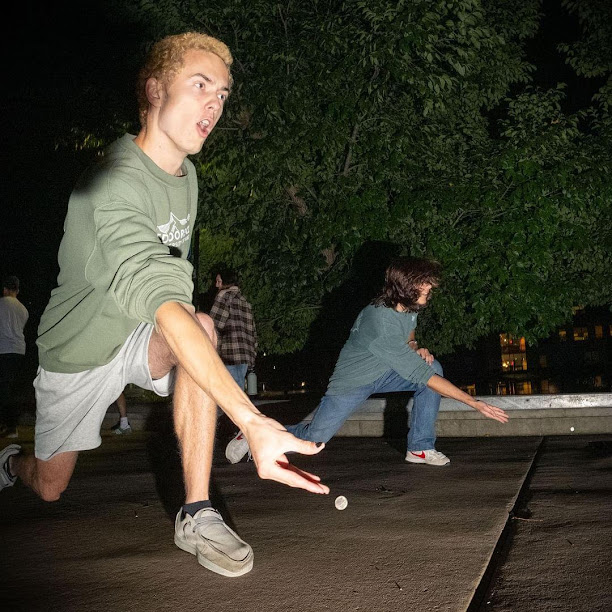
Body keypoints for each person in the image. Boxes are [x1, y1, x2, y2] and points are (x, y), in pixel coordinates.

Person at [0, 31, 328, 579]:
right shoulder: (112, 182)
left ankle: (197, 512)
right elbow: (157, 292)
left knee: (198, 324)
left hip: (139, 334)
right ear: (154, 91)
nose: (214, 105)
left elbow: (171, 298)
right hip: (77, 351)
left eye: (222, 93)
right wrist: (249, 419)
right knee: (51, 486)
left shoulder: (187, 178)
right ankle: (12, 463)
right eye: (200, 85)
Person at [226, 257, 509, 466]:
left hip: (386, 371)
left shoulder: (409, 306)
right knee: (313, 440)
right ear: (408, 287)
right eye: (426, 286)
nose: (430, 291)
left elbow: (409, 333)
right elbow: (424, 378)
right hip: (353, 381)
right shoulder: (379, 321)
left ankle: (420, 447)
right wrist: (475, 403)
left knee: (433, 365)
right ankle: (253, 433)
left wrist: (414, 346)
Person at [209, 268, 257, 392]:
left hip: (228, 354)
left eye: (219, 281)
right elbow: (253, 332)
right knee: (237, 390)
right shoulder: (245, 302)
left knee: (227, 393)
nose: (216, 284)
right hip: (245, 355)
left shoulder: (223, 297)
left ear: (226, 282)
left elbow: (214, 325)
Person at [0, 276, 29, 438]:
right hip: (19, 350)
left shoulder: (1, 304)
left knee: (4, 389)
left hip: (3, 349)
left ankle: (9, 425)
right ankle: (11, 424)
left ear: (5, 289)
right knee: (13, 389)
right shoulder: (23, 309)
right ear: (17, 290)